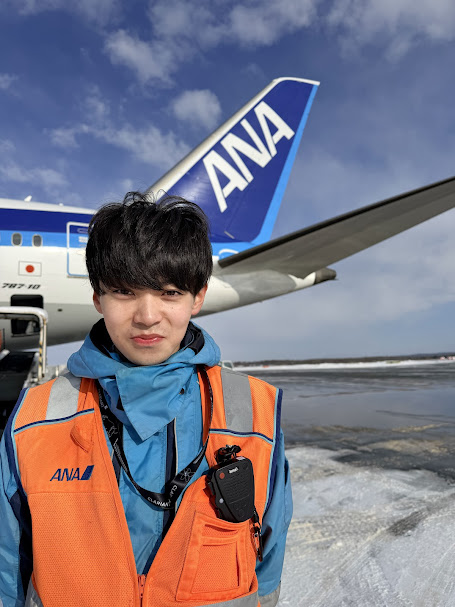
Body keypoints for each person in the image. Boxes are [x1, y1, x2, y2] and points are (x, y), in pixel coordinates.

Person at [0, 192, 292, 607]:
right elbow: (8, 560)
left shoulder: (256, 409)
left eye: (169, 292)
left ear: (198, 297)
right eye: (124, 292)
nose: (147, 316)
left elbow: (269, 553)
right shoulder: (33, 418)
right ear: (98, 298)